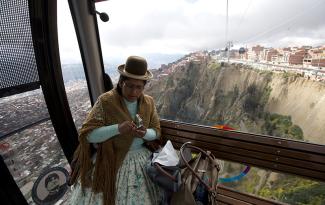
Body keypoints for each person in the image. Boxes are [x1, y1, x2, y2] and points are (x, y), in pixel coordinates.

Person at [69, 56, 162, 205]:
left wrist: (145, 133)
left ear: (144, 87)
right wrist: (118, 129)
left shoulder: (148, 102)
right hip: (110, 157)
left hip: (142, 158)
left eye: (139, 87)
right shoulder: (106, 101)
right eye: (129, 86)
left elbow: (156, 131)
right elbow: (88, 135)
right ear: (120, 82)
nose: (134, 92)